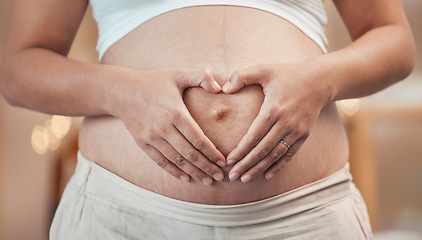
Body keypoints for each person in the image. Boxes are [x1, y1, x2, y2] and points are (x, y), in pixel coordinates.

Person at [0, 0, 415, 239]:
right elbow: (20, 69)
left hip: (304, 219)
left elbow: (394, 40)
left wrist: (318, 81)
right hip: (126, 220)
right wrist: (125, 94)